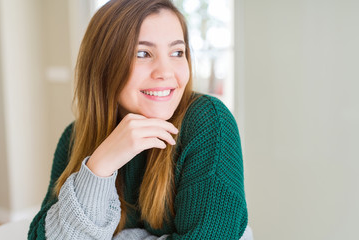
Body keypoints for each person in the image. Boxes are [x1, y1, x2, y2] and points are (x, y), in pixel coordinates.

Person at [28, 0, 251, 239]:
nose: (165, 72)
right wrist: (98, 169)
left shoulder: (208, 121)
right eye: (143, 53)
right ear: (104, 65)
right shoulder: (74, 137)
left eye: (177, 52)